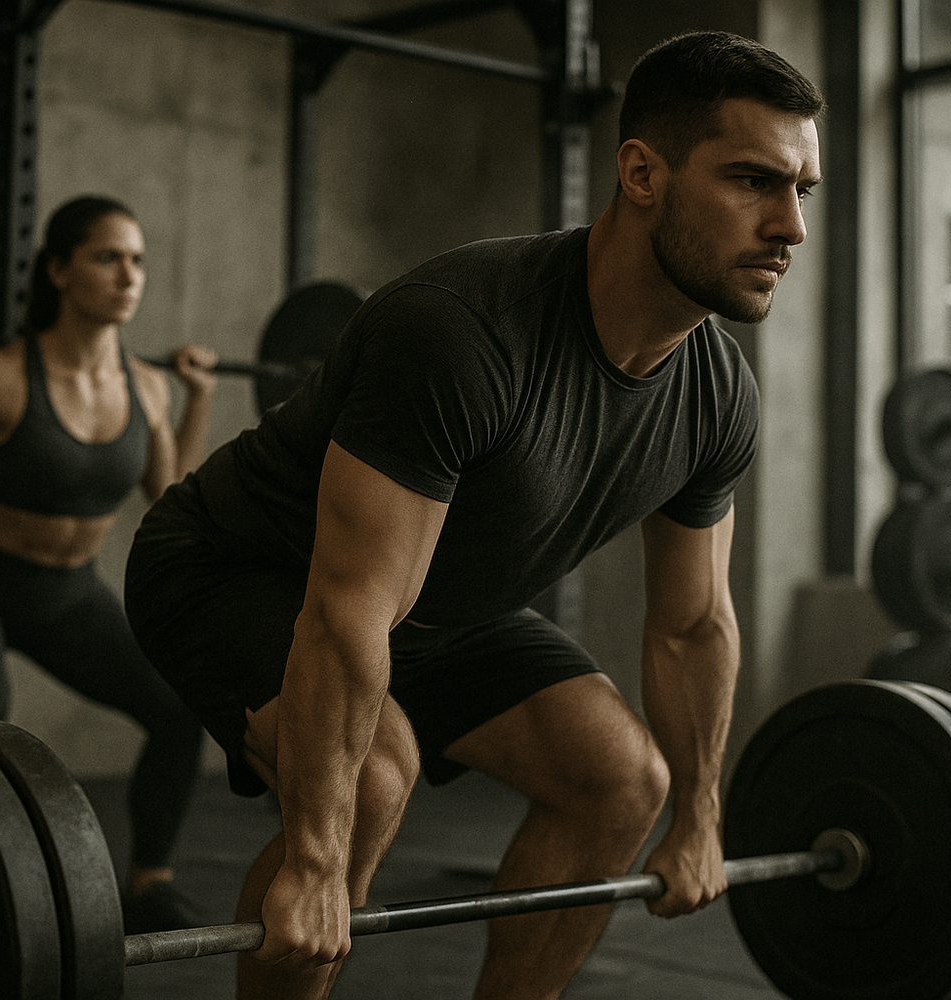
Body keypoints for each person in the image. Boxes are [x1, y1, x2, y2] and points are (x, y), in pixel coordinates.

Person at [125, 29, 823, 999]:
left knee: (623, 781)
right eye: (753, 181)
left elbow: (692, 623)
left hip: (435, 604)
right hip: (237, 569)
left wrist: (701, 815)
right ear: (641, 174)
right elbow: (347, 609)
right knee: (369, 784)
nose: (791, 226)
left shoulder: (717, 397)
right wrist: (316, 861)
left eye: (802, 190)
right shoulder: (463, 332)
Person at [0, 195, 219, 933]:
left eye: (138, 260)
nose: (129, 275)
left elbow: (170, 496)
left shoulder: (147, 386)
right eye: (107, 257)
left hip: (69, 597)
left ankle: (150, 883)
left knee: (178, 709)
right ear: (58, 271)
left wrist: (198, 399)